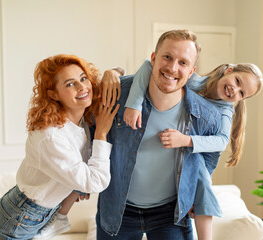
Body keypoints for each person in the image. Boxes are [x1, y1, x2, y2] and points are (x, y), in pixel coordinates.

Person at [95, 29, 222, 240]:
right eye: (167, 57)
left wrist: (195, 196)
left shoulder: (206, 116)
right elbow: (86, 129)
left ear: (191, 72)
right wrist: (112, 72)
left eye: (183, 63)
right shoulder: (119, 93)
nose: (172, 68)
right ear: (153, 58)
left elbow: (209, 158)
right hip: (118, 209)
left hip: (170, 214)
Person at [123, 60, 263, 240]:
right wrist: (127, 92)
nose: (234, 90)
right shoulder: (193, 81)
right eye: (237, 81)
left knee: (201, 181)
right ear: (229, 70)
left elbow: (221, 141)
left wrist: (185, 140)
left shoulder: (225, 111)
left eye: (241, 93)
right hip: (176, 148)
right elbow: (148, 66)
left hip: (197, 152)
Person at [0, 54, 119, 240]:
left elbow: (120, 76)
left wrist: (110, 73)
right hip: (15, 220)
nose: (82, 87)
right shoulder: (50, 136)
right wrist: (101, 134)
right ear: (53, 94)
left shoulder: (80, 120)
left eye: (83, 78)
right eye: (70, 84)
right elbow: (95, 182)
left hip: (37, 213)